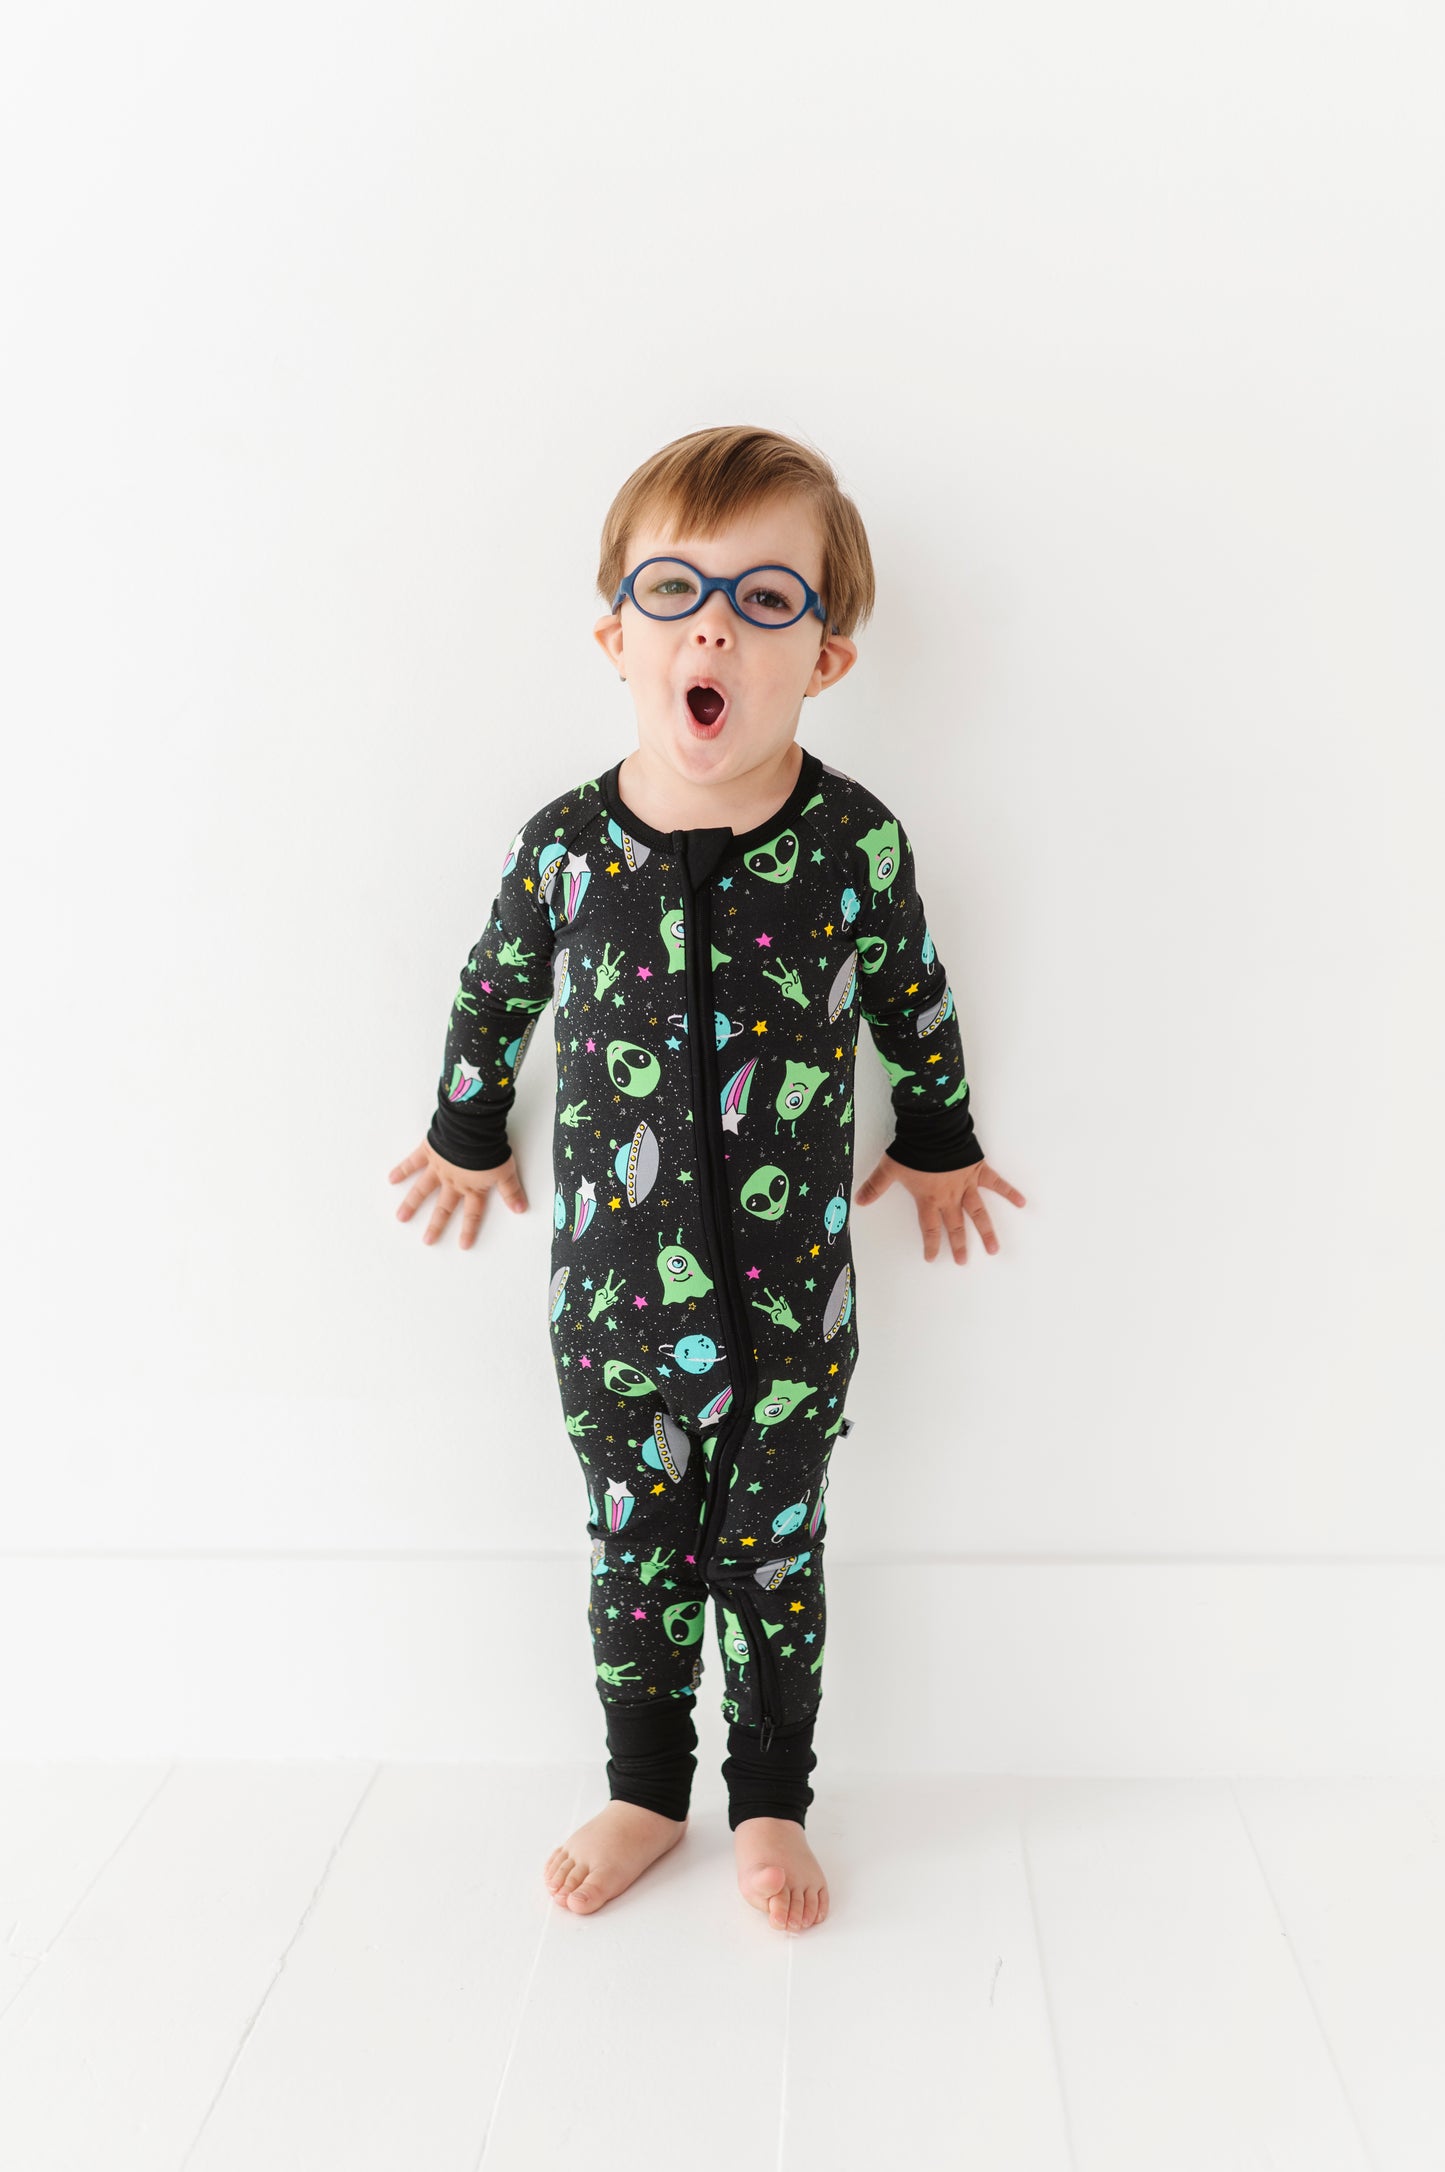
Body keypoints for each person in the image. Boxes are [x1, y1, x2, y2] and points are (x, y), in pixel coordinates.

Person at [388, 424, 1027, 1934]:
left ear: (825, 658)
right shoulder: (567, 849)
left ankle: (771, 1800)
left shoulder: (852, 844)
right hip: (614, 1316)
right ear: (617, 636)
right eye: (675, 591)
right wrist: (466, 1129)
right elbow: (495, 991)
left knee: (775, 1562)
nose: (714, 630)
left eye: (764, 600)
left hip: (796, 1323)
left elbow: (913, 998)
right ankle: (642, 1788)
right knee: (635, 1560)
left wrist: (939, 1138)